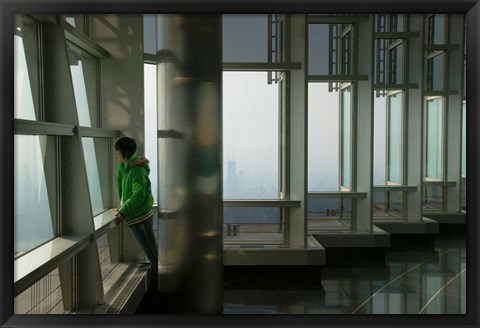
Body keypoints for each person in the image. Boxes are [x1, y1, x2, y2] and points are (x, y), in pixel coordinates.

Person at [114, 137, 158, 275]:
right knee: (152, 252)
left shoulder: (137, 170)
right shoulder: (127, 167)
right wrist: (122, 207)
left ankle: (166, 285)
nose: (116, 154)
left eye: (118, 151)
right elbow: (124, 189)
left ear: (124, 152)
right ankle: (165, 283)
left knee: (152, 253)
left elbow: (138, 195)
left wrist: (124, 210)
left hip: (140, 218)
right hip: (137, 216)